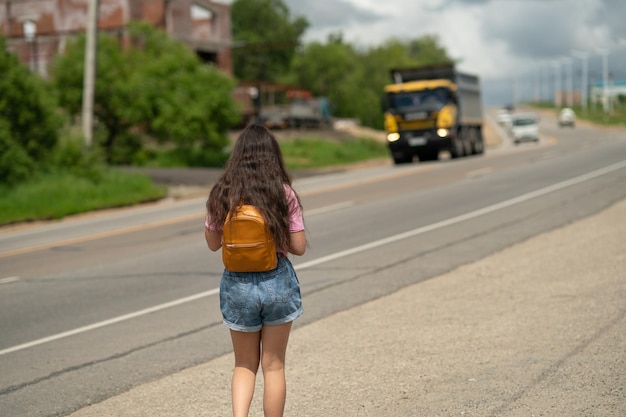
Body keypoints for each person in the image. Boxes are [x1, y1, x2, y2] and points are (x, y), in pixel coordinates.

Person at [204, 124, 307, 417]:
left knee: (243, 365)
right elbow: (298, 247)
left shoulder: (222, 193)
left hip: (237, 286)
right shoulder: (282, 192)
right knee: (273, 366)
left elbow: (213, 244)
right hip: (276, 280)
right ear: (273, 156)